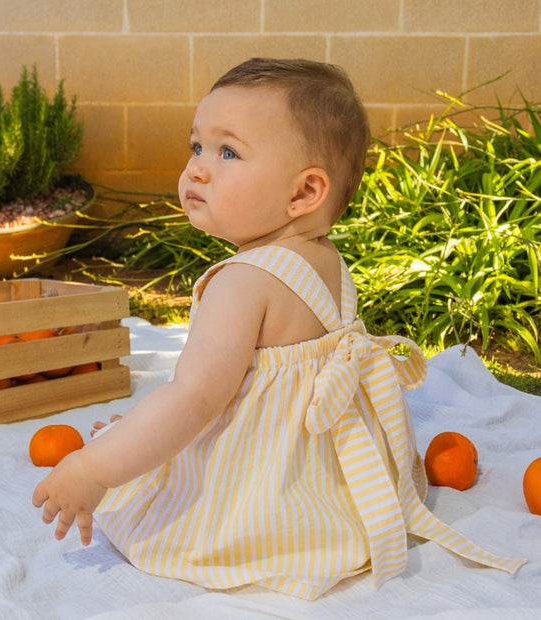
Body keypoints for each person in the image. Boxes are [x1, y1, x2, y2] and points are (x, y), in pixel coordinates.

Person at [33, 58, 524, 600]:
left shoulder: (241, 284)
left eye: (228, 152)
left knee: (163, 487)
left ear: (303, 194)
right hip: (318, 477)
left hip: (259, 486)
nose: (196, 169)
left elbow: (192, 401)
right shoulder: (324, 259)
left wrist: (95, 468)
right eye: (196, 146)